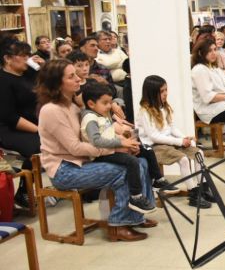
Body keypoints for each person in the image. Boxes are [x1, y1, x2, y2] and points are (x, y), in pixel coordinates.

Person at [36, 59, 156, 241]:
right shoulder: (51, 110)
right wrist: (116, 147)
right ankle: (119, 224)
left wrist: (121, 139)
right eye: (71, 76)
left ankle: (135, 215)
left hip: (83, 161)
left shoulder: (73, 105)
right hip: (64, 170)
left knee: (142, 162)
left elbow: (98, 128)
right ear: (57, 83)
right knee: (125, 170)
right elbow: (75, 148)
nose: (78, 79)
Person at [78, 81, 156, 214]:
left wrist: (128, 142)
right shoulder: (90, 118)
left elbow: (110, 134)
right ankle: (135, 197)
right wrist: (121, 143)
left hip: (110, 151)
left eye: (110, 102)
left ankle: (157, 180)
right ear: (91, 104)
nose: (110, 106)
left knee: (145, 151)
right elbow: (96, 140)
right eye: (105, 103)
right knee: (132, 162)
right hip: (102, 156)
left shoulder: (100, 115)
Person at [137, 75, 212, 209]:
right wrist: (179, 141)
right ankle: (193, 194)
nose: (165, 94)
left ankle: (204, 188)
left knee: (198, 152)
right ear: (151, 93)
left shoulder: (164, 107)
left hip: (169, 142)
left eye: (166, 90)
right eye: (162, 91)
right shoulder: (144, 111)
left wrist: (185, 139)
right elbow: (154, 137)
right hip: (154, 147)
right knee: (183, 159)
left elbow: (172, 128)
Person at [0, 39, 41, 209]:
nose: (27, 59)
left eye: (28, 55)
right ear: (8, 58)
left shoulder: (28, 74)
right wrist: (39, 130)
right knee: (40, 144)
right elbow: (9, 116)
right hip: (9, 128)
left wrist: (42, 67)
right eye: (23, 56)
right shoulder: (3, 80)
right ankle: (24, 190)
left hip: (31, 122)